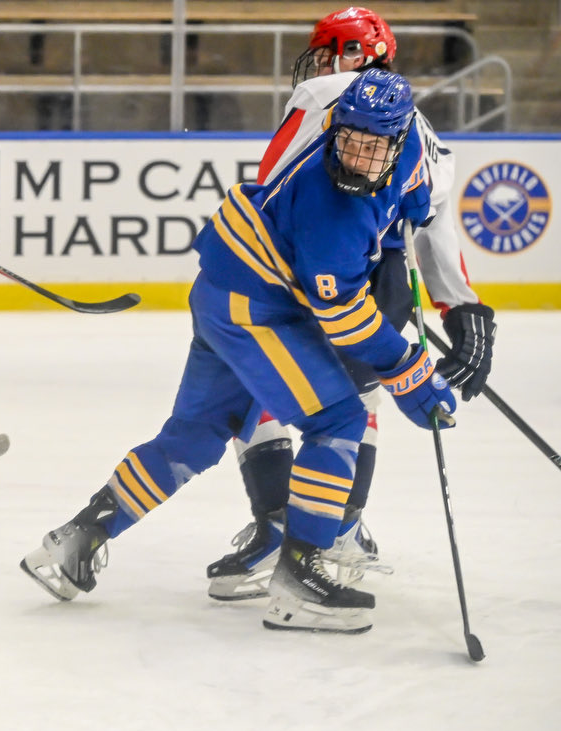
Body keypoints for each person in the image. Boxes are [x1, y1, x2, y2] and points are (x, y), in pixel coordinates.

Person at [22, 69, 451, 634]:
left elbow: (413, 204)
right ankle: (299, 581)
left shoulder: (413, 148)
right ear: (334, 127)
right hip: (257, 304)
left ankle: (76, 539)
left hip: (224, 289)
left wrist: (394, 250)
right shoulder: (333, 210)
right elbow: (345, 322)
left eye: (374, 146)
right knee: (340, 419)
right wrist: (413, 374)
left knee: (195, 434)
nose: (357, 157)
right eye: (348, 140)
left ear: (400, 139)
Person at [204, 6, 497, 603]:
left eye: (327, 50)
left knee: (257, 383)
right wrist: (462, 308)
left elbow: (271, 188)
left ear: (354, 56)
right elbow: (434, 218)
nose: (316, 64)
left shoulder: (320, 94)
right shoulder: (420, 127)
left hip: (305, 274)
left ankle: (276, 525)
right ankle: (341, 530)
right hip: (384, 280)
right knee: (356, 399)